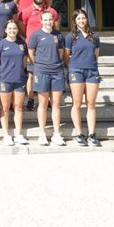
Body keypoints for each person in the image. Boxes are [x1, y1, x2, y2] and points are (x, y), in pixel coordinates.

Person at [28, 10, 66, 146]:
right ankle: (42, 133)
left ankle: (56, 133)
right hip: (41, 71)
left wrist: (55, 63)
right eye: (45, 20)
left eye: (50, 20)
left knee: (56, 104)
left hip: (56, 72)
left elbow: (61, 53)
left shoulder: (58, 35)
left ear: (53, 21)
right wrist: (39, 64)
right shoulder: (36, 35)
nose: (48, 22)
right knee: (43, 103)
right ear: (41, 21)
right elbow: (31, 53)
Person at [65, 8, 102, 147]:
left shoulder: (94, 36)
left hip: (92, 71)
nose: (81, 20)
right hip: (76, 71)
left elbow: (96, 54)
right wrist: (74, 67)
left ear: (87, 19)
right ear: (74, 21)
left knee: (91, 104)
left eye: (83, 18)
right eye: (78, 18)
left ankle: (92, 134)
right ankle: (79, 133)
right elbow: (66, 56)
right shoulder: (70, 37)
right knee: (77, 103)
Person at [20, 0, 59, 111]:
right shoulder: (25, 12)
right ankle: (31, 99)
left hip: (48, 48)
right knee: (31, 74)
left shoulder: (51, 12)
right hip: (33, 48)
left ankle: (47, 99)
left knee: (47, 75)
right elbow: (22, 28)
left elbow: (56, 29)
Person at [0, 20, 30, 146]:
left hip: (19, 79)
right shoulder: (0, 45)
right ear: (5, 30)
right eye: (10, 28)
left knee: (18, 107)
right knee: (5, 107)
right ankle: (6, 135)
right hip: (5, 79)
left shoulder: (22, 44)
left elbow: (24, 61)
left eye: (14, 28)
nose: (12, 30)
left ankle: (18, 134)